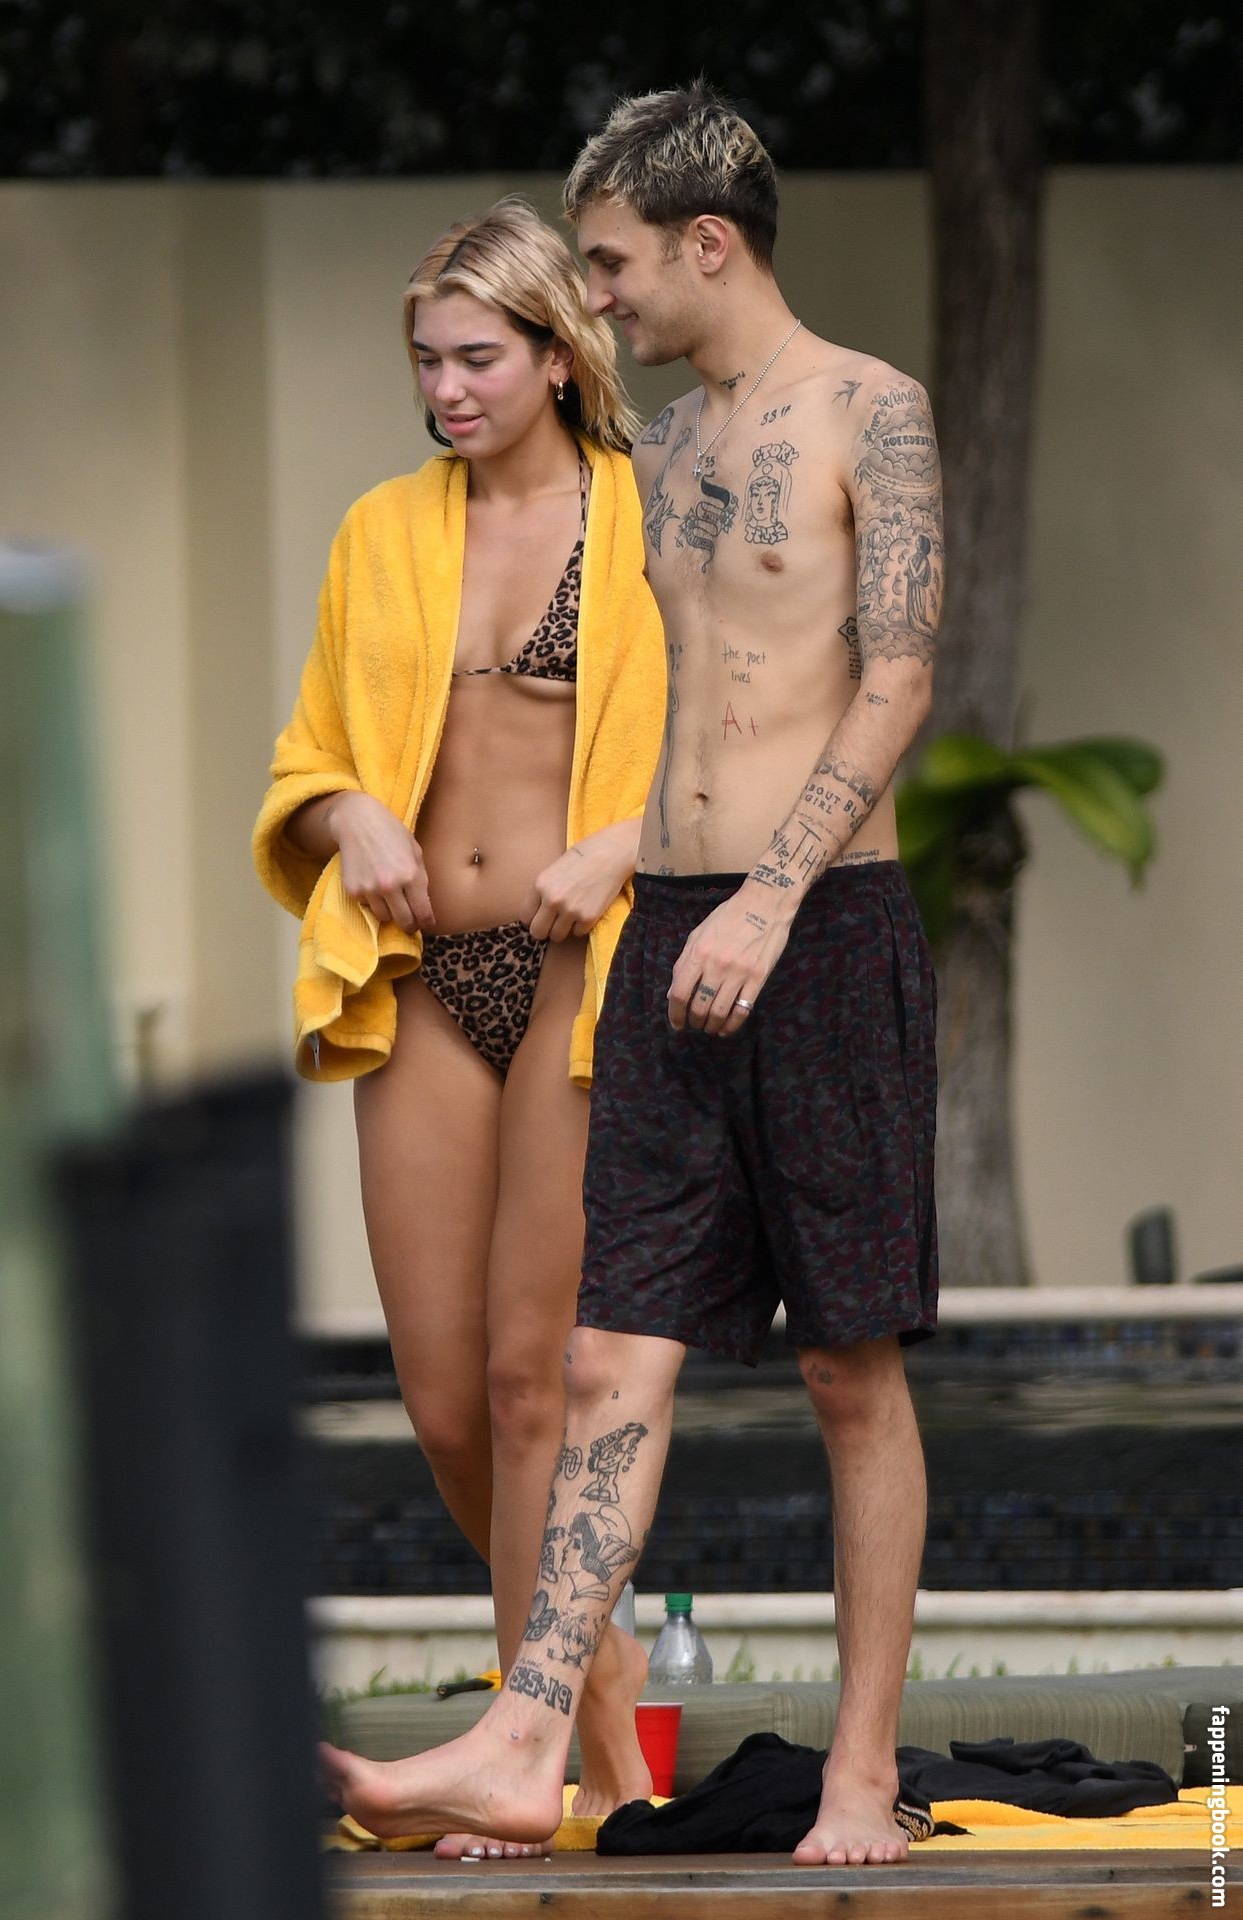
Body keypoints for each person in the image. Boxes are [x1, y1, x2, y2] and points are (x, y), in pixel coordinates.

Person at [320, 83, 943, 1869]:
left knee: (845, 1374)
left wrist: (769, 894)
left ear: (705, 244)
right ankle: (530, 1744)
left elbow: (897, 674)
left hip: (818, 926)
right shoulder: (648, 462)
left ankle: (858, 1774)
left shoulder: (872, 413)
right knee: (601, 1358)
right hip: (658, 937)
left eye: (605, 264)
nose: (592, 298)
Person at [252, 197, 666, 1855]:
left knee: (524, 1385)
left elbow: (731, 746)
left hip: (574, 970)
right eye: (425, 360)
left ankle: (529, 1761)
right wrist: (349, 812)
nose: (446, 389)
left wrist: (622, 846)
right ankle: (598, 1731)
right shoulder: (381, 531)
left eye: (478, 358)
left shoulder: (652, 517)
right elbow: (313, 754)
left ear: (559, 356)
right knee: (440, 1403)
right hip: (425, 973)